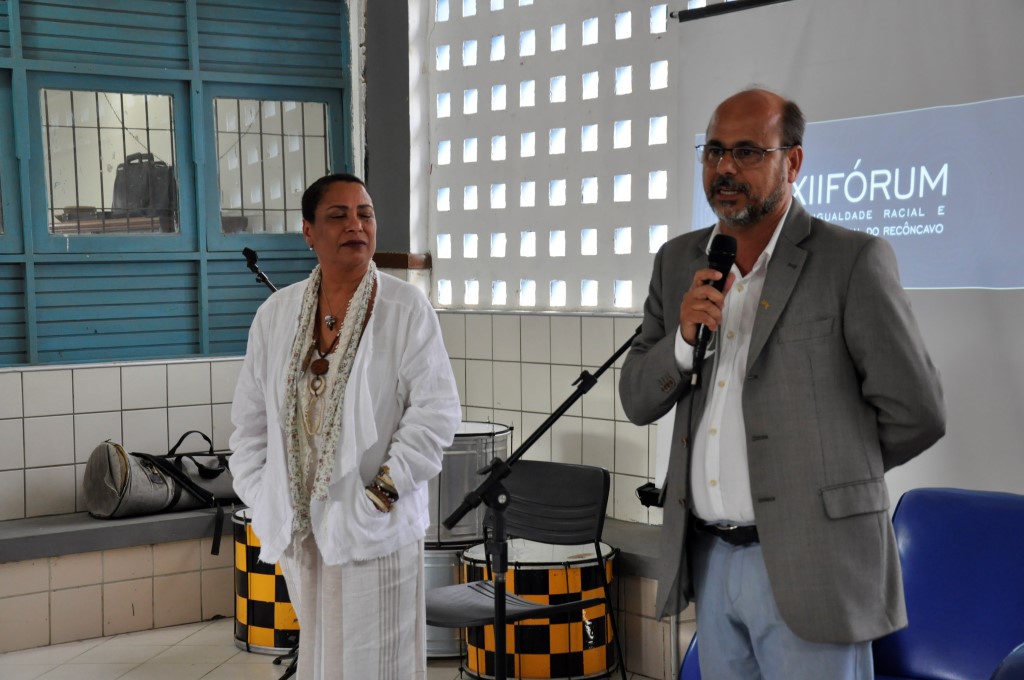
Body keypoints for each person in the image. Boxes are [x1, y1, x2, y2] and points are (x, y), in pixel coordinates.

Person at [619, 88, 945, 679]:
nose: (725, 168)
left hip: (812, 562)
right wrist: (683, 342)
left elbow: (917, 410)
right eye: (714, 151)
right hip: (710, 558)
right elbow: (637, 398)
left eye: (746, 152)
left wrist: (827, 479)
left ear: (792, 162)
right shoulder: (679, 262)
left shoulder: (850, 260)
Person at [229, 173, 461, 679]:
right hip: (302, 531)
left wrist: (380, 495)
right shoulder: (276, 314)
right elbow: (248, 426)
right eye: (338, 216)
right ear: (309, 232)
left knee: (377, 667)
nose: (356, 225)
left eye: (365, 214)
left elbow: (436, 413)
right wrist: (265, 496)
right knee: (322, 662)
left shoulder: (405, 308)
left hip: (376, 528)